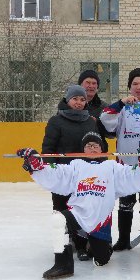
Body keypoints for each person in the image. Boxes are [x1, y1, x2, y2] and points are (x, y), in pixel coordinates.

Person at [17, 132, 140, 279]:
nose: (92, 148)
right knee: (59, 219)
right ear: (83, 150)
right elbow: (57, 174)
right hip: (78, 214)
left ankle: (102, 247)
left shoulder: (112, 166)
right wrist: (37, 165)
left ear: (101, 149)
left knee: (101, 261)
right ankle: (63, 265)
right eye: (88, 146)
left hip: (100, 220)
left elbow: (131, 176)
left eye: (96, 145)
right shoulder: (76, 165)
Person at [100, 68, 140, 251]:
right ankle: (124, 239)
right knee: (126, 203)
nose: (139, 87)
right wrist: (121, 103)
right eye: (135, 84)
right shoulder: (121, 107)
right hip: (125, 165)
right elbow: (105, 118)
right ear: (129, 87)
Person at [41, 85, 99, 261]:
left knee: (81, 210)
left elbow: (97, 147)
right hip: (62, 176)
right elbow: (48, 149)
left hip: (83, 177)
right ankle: (62, 247)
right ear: (67, 99)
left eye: (82, 99)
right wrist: (51, 171)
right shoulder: (56, 121)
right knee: (61, 211)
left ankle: (81, 245)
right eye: (75, 99)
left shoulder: (90, 121)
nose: (79, 102)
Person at [78, 69, 111, 152]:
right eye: (88, 83)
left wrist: (97, 124)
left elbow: (111, 134)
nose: (91, 86)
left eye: (94, 83)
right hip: (75, 153)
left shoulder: (104, 107)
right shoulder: (70, 105)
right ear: (80, 85)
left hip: (97, 154)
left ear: (97, 87)